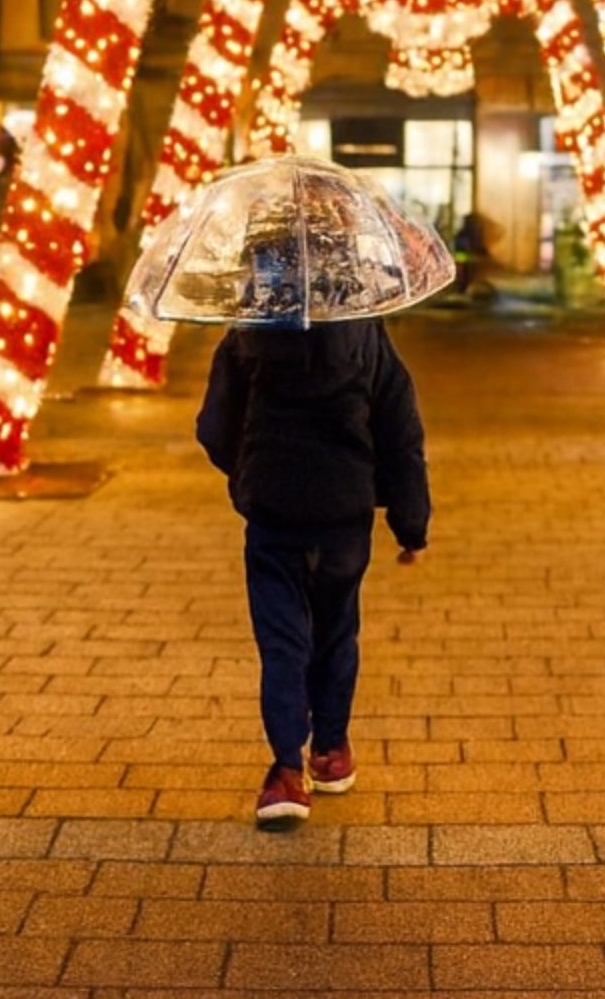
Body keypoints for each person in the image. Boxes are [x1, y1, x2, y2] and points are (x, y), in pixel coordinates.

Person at [197, 318, 431, 830]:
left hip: (274, 510)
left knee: (282, 640)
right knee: (336, 629)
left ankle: (285, 771)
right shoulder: (364, 328)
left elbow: (214, 427)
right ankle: (331, 748)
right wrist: (410, 524)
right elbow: (400, 429)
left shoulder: (248, 331)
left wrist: (249, 472)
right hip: (343, 512)